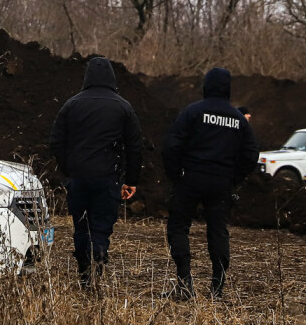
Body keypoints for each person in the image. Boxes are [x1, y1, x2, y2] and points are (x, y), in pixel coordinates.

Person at [161, 67, 259, 301]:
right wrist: (233, 179)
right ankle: (217, 288)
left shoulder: (192, 112)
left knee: (178, 227)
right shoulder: (238, 119)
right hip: (221, 183)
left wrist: (176, 175)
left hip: (191, 179)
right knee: (218, 231)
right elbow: (251, 154)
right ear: (228, 88)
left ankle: (185, 284)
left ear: (206, 86)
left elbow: (171, 146)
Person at [49, 56, 144, 287]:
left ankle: (84, 275)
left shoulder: (72, 104)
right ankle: (97, 264)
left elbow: (56, 141)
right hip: (107, 178)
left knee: (81, 226)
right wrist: (131, 180)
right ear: (111, 77)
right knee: (100, 226)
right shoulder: (123, 106)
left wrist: (68, 169)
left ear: (87, 77)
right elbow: (135, 146)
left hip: (78, 178)